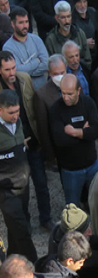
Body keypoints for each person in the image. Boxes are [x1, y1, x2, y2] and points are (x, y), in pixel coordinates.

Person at [0, 51, 52, 232]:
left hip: (32, 141)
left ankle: (46, 218)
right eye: (7, 69)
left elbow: (33, 107)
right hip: (12, 146)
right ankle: (25, 223)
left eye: (13, 67)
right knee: (20, 190)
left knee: (41, 183)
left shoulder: (24, 79)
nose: (12, 72)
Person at [50, 74, 98, 206]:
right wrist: (84, 133)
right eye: (63, 93)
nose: (65, 97)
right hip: (71, 170)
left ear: (78, 91)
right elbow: (60, 141)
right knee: (72, 207)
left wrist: (74, 132)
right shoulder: (55, 109)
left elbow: (97, 131)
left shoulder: (88, 103)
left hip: (92, 164)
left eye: (70, 94)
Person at [0, 89, 35, 261]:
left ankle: (10, 260)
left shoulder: (18, 122)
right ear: (0, 110)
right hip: (6, 192)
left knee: (16, 229)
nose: (15, 116)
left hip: (23, 186)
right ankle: (36, 266)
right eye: (11, 113)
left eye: (17, 111)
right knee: (23, 231)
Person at [2, 7, 48, 90]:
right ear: (13, 24)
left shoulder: (36, 39)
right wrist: (36, 62)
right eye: (21, 22)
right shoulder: (8, 47)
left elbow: (45, 63)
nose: (25, 26)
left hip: (43, 89)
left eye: (26, 22)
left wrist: (27, 70)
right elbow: (17, 71)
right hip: (24, 91)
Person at [33, 54, 64, 166]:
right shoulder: (41, 94)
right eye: (55, 74)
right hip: (58, 146)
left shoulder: (73, 83)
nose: (59, 76)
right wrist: (50, 155)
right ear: (49, 73)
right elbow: (43, 129)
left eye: (62, 72)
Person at [45, 1, 92, 70]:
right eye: (63, 17)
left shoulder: (80, 34)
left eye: (68, 16)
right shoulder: (51, 39)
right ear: (57, 18)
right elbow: (51, 65)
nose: (67, 21)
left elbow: (87, 60)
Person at [72, 0, 98, 71]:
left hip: (95, 56)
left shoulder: (93, 13)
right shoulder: (72, 19)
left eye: (84, 2)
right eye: (79, 2)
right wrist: (84, 43)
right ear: (75, 4)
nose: (82, 5)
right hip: (81, 59)